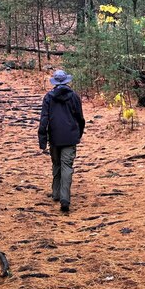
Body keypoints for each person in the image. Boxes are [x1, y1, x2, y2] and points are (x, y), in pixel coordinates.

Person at [38, 69, 85, 212]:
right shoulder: (74, 97)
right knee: (67, 167)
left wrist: (42, 140)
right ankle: (64, 197)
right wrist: (78, 134)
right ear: (66, 81)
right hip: (70, 137)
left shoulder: (48, 97)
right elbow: (80, 118)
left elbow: (44, 120)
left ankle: (56, 193)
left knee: (56, 164)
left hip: (54, 137)